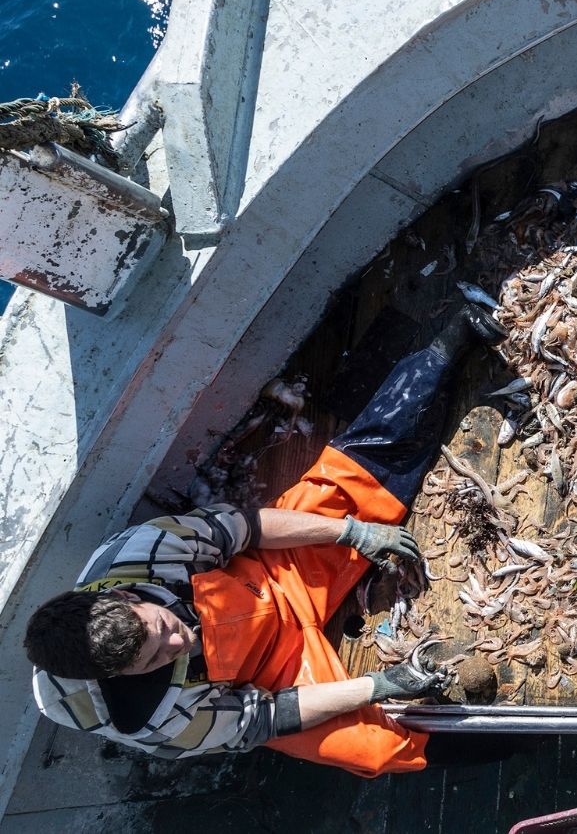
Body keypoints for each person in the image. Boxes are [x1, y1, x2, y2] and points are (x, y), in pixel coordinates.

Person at [23, 303, 503, 776]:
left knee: (346, 482)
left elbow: (249, 527)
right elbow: (270, 715)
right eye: (155, 658)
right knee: (374, 749)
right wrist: (380, 684)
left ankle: (446, 347)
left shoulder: (139, 555)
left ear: (125, 595)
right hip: (270, 673)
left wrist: (352, 531)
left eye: (159, 625)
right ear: (118, 676)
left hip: (269, 578)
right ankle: (525, 737)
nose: (176, 638)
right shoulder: (153, 720)